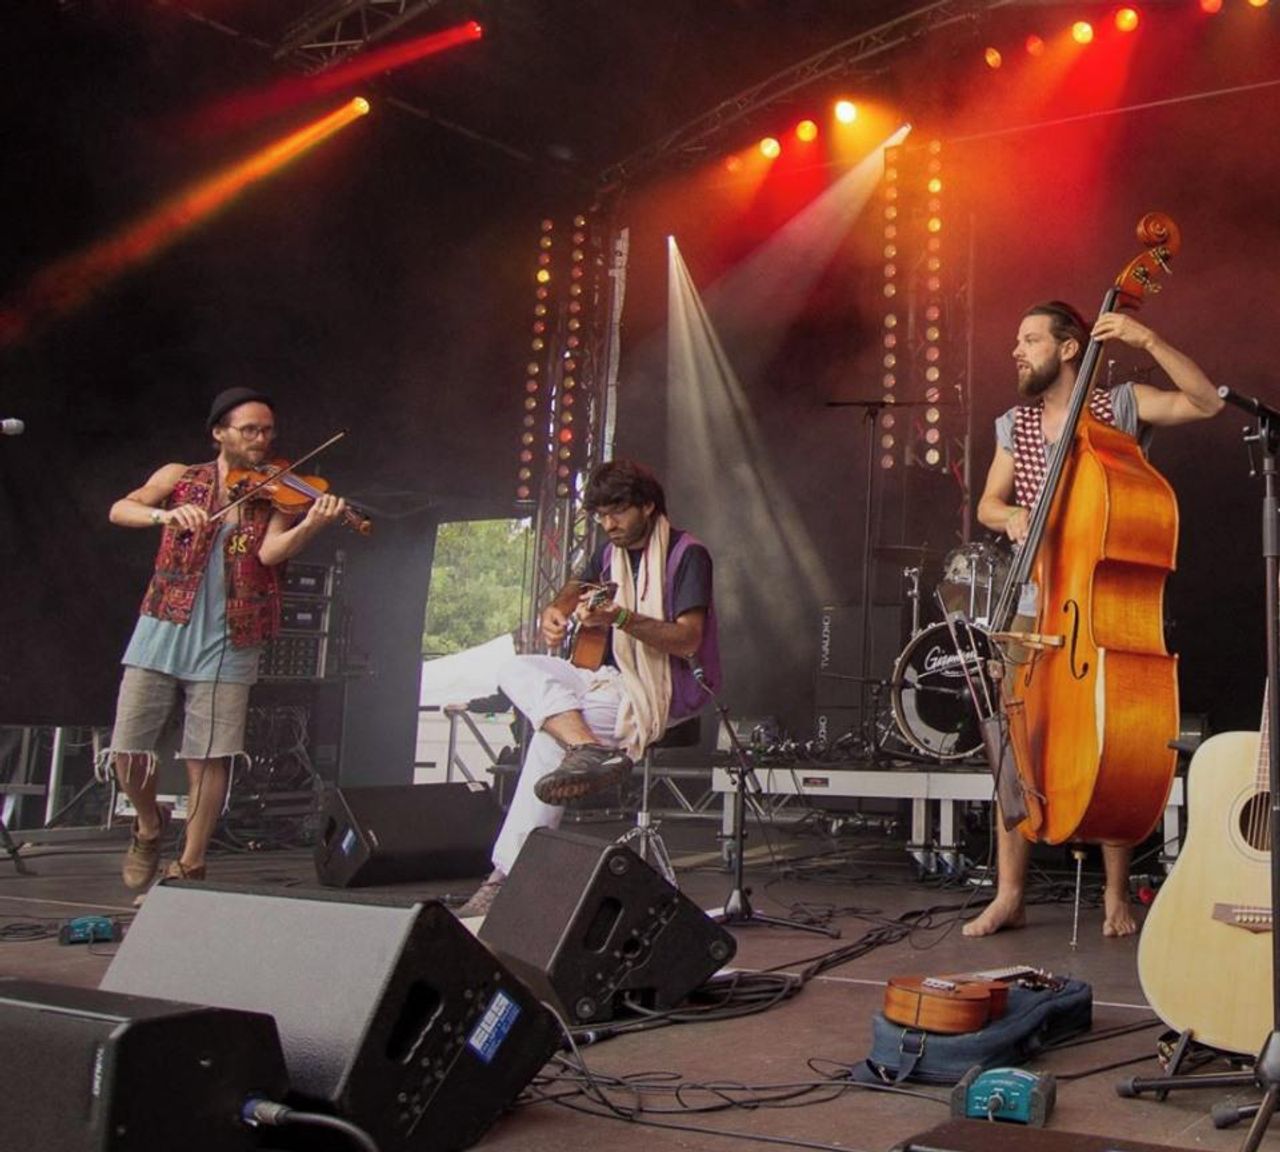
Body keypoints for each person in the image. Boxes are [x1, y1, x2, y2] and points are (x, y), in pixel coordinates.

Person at [966, 301, 1222, 938]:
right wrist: (1012, 518)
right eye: (1017, 340)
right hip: (1033, 596)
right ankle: (1010, 893)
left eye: (1029, 339)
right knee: (1014, 741)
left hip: (1096, 605)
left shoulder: (1122, 405)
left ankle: (1115, 895)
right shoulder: (1015, 423)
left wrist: (1147, 336)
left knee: (1109, 735)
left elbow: (1206, 402)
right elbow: (987, 506)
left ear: (1070, 347)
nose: (1017, 351)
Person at [99, 386, 346, 891]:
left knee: (210, 754)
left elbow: (272, 554)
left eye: (267, 430)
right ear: (220, 433)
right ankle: (148, 826)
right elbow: (120, 510)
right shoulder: (178, 477)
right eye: (249, 430)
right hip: (163, 624)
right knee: (128, 749)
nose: (261, 439)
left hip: (234, 634)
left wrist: (311, 527)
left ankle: (190, 863)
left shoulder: (281, 489)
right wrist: (164, 515)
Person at [458, 458, 720, 919]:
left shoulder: (687, 554)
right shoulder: (608, 552)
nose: (608, 524)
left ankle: (505, 879)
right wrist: (553, 614)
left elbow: (688, 640)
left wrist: (619, 618)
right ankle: (588, 748)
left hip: (660, 688)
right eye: (599, 515)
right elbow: (574, 590)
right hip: (601, 679)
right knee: (514, 668)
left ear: (648, 505)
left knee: (545, 740)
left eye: (617, 511)